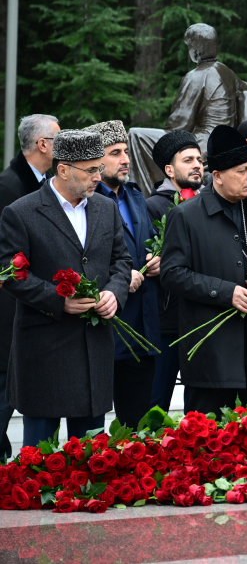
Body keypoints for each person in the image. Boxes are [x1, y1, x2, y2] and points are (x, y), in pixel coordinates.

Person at [0, 130, 132, 448]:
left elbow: (122, 261)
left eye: (100, 168)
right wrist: (58, 301)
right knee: (39, 462)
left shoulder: (105, 208)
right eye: (91, 170)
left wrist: (115, 292)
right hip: (45, 352)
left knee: (90, 459)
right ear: (63, 170)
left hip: (94, 351)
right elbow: (10, 273)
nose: (98, 177)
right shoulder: (22, 212)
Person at [160, 125, 247, 415]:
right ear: (216, 176)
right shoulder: (185, 215)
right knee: (208, 442)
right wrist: (225, 292)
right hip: (212, 352)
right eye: (241, 171)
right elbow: (171, 274)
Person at [85, 120, 161, 428]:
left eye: (126, 151)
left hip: (142, 329)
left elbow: (146, 243)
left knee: (137, 425)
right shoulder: (87, 201)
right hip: (106, 327)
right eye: (115, 152)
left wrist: (156, 259)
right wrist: (118, 277)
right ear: (95, 159)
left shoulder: (135, 196)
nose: (126, 159)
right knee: (94, 428)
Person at [0, 114, 59, 458]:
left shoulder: (40, 184)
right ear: (43, 145)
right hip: (12, 305)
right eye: (59, 139)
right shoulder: (9, 187)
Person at [146, 130, 203, 412]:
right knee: (156, 405)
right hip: (167, 323)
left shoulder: (207, 206)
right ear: (169, 169)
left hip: (201, 319)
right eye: (188, 159)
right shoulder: (153, 207)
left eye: (199, 159)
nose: (197, 165)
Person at [165, 24, 247, 150]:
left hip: (204, 143)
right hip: (228, 141)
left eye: (189, 47)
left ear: (195, 50)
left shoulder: (195, 77)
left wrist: (164, 135)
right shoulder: (227, 72)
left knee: (137, 135)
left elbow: (181, 123)